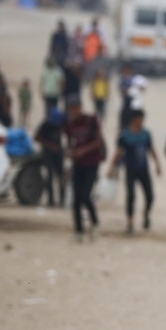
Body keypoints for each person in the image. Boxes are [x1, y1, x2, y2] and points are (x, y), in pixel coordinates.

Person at [109, 110, 161, 234]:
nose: (141, 121)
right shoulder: (125, 135)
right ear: (134, 119)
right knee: (131, 196)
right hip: (130, 169)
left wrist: (157, 164)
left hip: (144, 169)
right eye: (140, 119)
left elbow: (151, 149)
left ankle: (146, 214)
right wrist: (112, 168)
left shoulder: (146, 134)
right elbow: (119, 152)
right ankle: (130, 221)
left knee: (150, 196)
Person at [63, 94, 105, 240]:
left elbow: (98, 141)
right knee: (76, 198)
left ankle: (95, 222)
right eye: (71, 109)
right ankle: (79, 230)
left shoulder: (90, 120)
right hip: (78, 164)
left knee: (85, 195)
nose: (74, 111)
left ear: (80, 107)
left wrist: (83, 150)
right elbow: (69, 141)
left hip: (92, 162)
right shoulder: (69, 124)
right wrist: (70, 152)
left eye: (75, 108)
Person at [34, 108, 66, 206]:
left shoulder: (61, 123)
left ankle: (62, 199)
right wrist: (49, 145)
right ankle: (51, 199)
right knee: (50, 175)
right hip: (48, 153)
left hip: (58, 152)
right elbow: (36, 137)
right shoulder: (45, 125)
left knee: (61, 175)